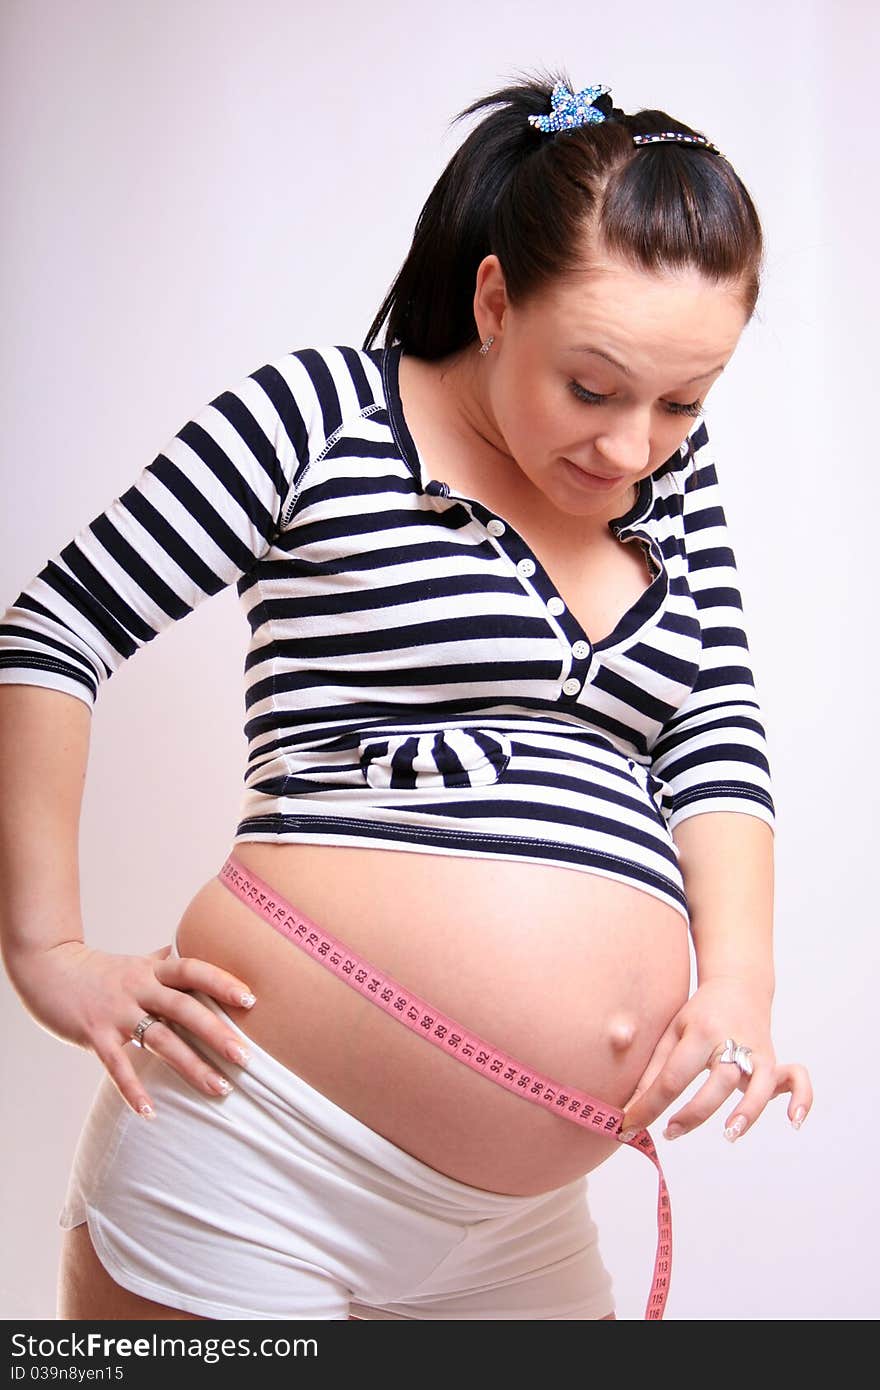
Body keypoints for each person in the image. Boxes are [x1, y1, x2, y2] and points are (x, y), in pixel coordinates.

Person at [0, 69, 812, 1322]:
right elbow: (54, 628)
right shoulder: (315, 417)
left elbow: (710, 724)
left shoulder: (665, 484)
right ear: (494, 299)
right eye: (591, 387)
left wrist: (737, 983)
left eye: (684, 402)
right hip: (249, 1151)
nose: (631, 446)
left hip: (518, 1227)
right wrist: (45, 947)